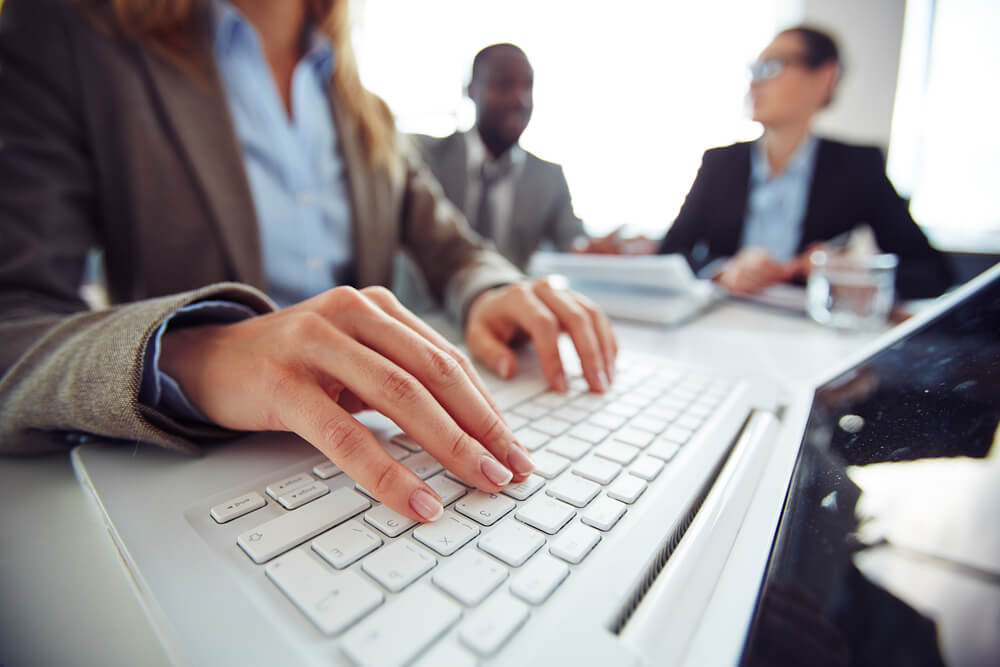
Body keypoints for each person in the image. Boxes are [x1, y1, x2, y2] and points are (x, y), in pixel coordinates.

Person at [0, 0, 618, 525]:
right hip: (197, 477)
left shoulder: (363, 108)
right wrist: (189, 353)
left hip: (366, 453)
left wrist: (492, 291)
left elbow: (454, 248)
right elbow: (13, 325)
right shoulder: (71, 34)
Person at [658, 26, 953, 299]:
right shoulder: (720, 163)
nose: (755, 81)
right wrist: (721, 270)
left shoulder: (857, 167)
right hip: (720, 319)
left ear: (824, 77)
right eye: (754, 69)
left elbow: (934, 273)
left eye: (772, 66)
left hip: (810, 333)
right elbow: (669, 253)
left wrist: (859, 273)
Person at [413, 43, 646, 272]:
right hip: (423, 307)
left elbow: (571, 241)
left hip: (509, 304)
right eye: (504, 85)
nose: (520, 100)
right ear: (472, 90)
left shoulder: (548, 177)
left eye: (528, 87)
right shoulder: (424, 157)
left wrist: (590, 251)